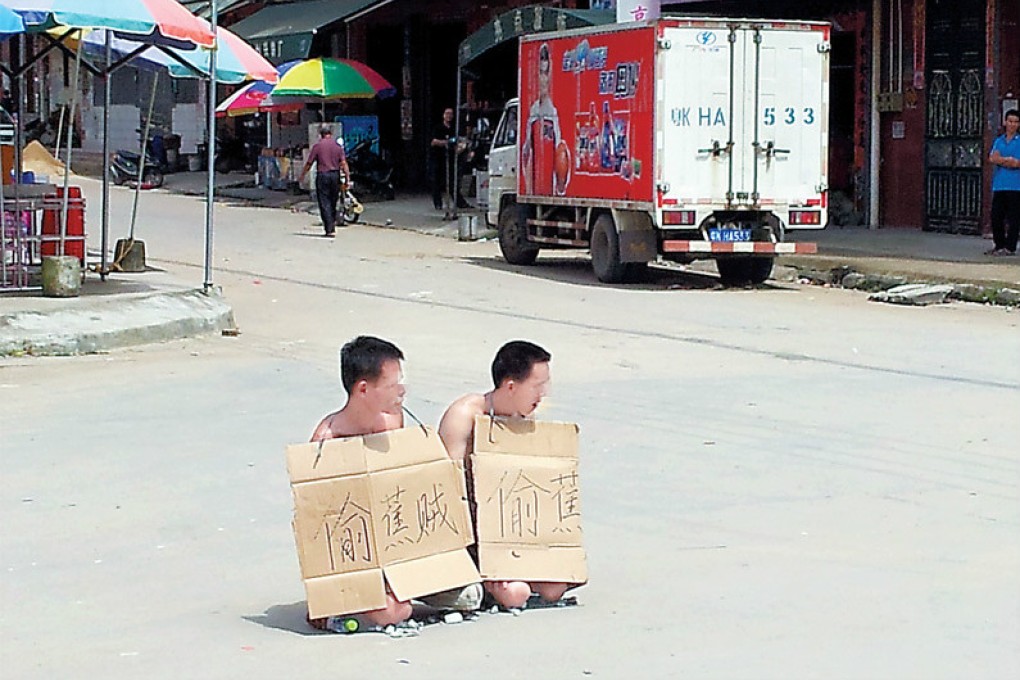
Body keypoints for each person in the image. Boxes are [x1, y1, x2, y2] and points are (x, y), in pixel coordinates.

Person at [306, 336, 482, 631]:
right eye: (392, 385)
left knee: (470, 596)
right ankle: (335, 607)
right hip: (358, 556)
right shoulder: (327, 442)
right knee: (394, 611)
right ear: (363, 389)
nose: (402, 390)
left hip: (400, 549)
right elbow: (322, 525)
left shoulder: (392, 421)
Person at [437, 340, 573, 609]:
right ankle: (488, 584)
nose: (543, 395)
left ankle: (502, 581)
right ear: (511, 386)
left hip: (510, 531)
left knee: (556, 586)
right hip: (470, 533)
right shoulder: (465, 415)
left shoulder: (523, 418)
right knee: (517, 594)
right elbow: (448, 488)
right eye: (536, 387)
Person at [521, 43, 562, 195]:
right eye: (540, 72)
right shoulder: (533, 112)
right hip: (536, 180)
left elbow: (559, 151)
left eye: (546, 72)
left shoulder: (553, 113)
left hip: (549, 183)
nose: (543, 79)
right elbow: (526, 149)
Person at [299, 126, 350, 238]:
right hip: (335, 175)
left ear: (320, 135)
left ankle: (329, 229)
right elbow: (344, 163)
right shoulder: (337, 147)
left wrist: (302, 175)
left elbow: (309, 163)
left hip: (323, 175)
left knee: (324, 202)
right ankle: (332, 225)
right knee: (333, 201)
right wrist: (347, 179)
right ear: (330, 134)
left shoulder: (317, 147)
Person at [987, 109, 1020, 256]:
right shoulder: (998, 141)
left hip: (1015, 185)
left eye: (1015, 122)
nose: (1012, 124)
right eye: (1010, 121)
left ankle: (1010, 247)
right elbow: (992, 158)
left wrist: (1002, 160)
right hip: (999, 184)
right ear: (1005, 122)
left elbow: (1016, 163)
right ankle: (999, 245)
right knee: (996, 216)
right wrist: (1007, 160)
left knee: (1014, 218)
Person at [430, 107, 469, 211]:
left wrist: (460, 148)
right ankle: (438, 203)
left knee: (452, 181)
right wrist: (446, 142)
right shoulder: (438, 128)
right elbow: (433, 141)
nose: (449, 116)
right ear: (443, 115)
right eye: (447, 113)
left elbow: (459, 141)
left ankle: (460, 202)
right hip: (438, 158)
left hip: (450, 158)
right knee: (436, 182)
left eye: (451, 114)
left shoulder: (454, 129)